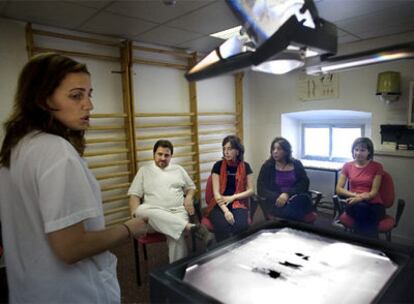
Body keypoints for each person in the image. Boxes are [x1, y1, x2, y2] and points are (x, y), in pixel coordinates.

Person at [0, 53, 147, 303]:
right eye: (76, 95)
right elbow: (71, 247)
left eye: (89, 94)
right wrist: (129, 228)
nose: (89, 105)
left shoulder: (15, 148)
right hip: (71, 292)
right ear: (43, 99)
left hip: (31, 290)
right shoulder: (55, 151)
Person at [128, 139, 214, 263]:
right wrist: (134, 217)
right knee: (140, 210)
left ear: (171, 156)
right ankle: (191, 227)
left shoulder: (178, 169)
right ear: (154, 154)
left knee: (177, 237)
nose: (163, 158)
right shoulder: (144, 171)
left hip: (177, 212)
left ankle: (176, 273)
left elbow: (191, 187)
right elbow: (134, 195)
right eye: (159, 154)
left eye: (166, 155)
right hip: (153, 217)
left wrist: (188, 198)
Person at [205, 135, 254, 242]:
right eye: (224, 149)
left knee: (241, 226)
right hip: (219, 204)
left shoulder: (246, 166)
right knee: (222, 227)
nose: (226, 152)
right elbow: (216, 193)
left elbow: (251, 190)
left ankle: (239, 250)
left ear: (237, 151)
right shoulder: (218, 166)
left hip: (237, 202)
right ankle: (223, 253)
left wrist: (233, 197)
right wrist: (226, 211)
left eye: (229, 149)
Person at [335, 137, 385, 236]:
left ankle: (360, 242)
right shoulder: (347, 166)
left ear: (369, 152)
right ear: (352, 151)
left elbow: (374, 192)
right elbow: (339, 189)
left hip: (374, 203)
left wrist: (360, 198)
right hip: (354, 203)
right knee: (362, 208)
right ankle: (370, 244)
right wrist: (355, 195)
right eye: (356, 150)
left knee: (372, 212)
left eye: (362, 150)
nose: (358, 153)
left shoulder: (377, 166)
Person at [257, 137, 313, 221]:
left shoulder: (296, 164)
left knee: (303, 199)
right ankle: (294, 225)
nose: (275, 151)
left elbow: (304, 184)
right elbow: (261, 189)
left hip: (295, 198)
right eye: (273, 149)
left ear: (286, 151)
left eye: (279, 149)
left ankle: (290, 223)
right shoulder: (267, 166)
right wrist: (279, 197)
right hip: (276, 202)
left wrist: (287, 194)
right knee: (296, 212)